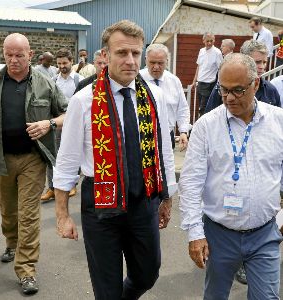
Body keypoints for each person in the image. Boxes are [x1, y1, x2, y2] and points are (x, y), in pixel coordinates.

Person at [53, 20, 176, 300]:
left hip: (144, 201)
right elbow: (67, 160)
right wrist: (62, 216)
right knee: (106, 289)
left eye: (136, 53)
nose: (131, 61)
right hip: (101, 205)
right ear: (105, 56)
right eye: (122, 53)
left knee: (148, 273)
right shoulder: (84, 101)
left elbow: (163, 151)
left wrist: (167, 197)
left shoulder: (154, 96)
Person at [179, 53, 283, 300]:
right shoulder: (206, 126)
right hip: (219, 234)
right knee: (215, 296)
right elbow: (191, 182)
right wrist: (195, 233)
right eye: (223, 90)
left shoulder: (278, 121)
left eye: (238, 90)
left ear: (256, 84)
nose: (229, 98)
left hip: (264, 234)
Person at [0, 33, 67, 295]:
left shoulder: (46, 84)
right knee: (8, 211)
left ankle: (27, 269)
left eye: (19, 55)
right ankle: (12, 242)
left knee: (28, 214)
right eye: (9, 54)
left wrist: (49, 123)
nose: (13, 60)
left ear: (30, 55)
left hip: (32, 158)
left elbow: (68, 113)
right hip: (0, 158)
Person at [41, 48, 83, 201]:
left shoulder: (79, 80)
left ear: (72, 62)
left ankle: (71, 184)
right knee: (53, 155)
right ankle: (52, 188)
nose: (62, 66)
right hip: (57, 123)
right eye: (59, 63)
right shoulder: (53, 81)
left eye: (65, 63)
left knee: (74, 154)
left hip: (75, 124)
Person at [205, 40, 281, 113]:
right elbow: (208, 119)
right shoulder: (224, 87)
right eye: (257, 62)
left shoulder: (270, 90)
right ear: (244, 60)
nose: (262, 66)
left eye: (264, 62)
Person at [140, 43, 190, 151]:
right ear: (145, 60)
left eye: (160, 63)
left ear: (167, 61)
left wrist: (183, 132)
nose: (156, 67)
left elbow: (182, 108)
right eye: (152, 62)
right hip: (142, 137)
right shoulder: (136, 80)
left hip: (167, 136)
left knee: (166, 167)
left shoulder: (174, 81)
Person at [191, 33, 223, 116]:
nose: (209, 43)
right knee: (201, 107)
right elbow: (199, 66)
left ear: (214, 40)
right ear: (203, 41)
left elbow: (221, 68)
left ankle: (203, 126)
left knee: (204, 108)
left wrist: (220, 83)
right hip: (200, 83)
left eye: (211, 41)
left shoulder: (217, 52)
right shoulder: (201, 51)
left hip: (209, 84)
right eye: (207, 41)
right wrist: (194, 81)